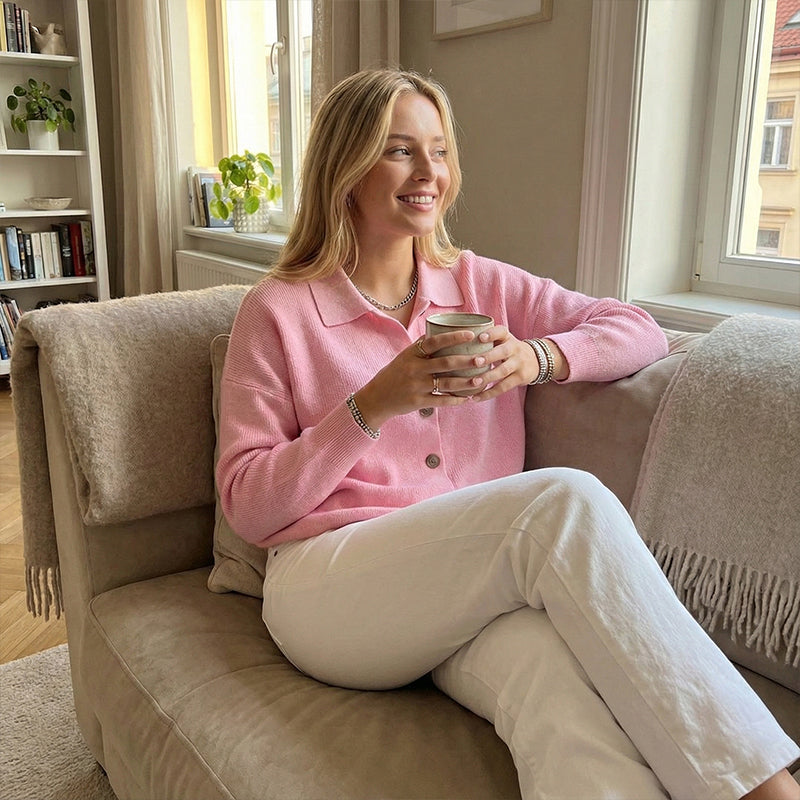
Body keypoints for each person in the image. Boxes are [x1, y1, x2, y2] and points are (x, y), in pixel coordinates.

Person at [217, 68, 799, 800]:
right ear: (347, 166)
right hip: (327, 588)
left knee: (559, 691)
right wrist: (371, 406)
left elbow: (636, 328)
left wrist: (534, 358)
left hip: (463, 588)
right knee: (561, 504)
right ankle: (766, 790)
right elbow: (249, 506)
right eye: (399, 150)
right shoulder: (278, 310)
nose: (428, 172)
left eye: (439, 150)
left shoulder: (479, 285)